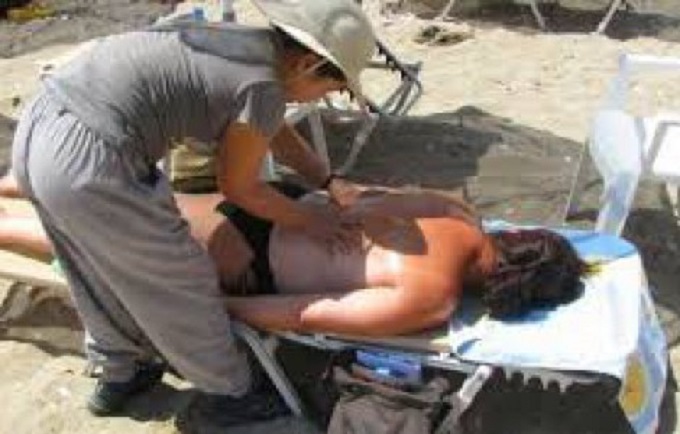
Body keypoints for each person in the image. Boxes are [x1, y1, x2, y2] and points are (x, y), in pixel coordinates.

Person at [10, 0, 376, 425]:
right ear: (309, 64)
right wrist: (312, 220)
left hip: (41, 127)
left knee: (92, 265)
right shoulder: (262, 85)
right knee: (181, 277)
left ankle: (119, 370)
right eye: (332, 88)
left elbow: (271, 128)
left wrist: (326, 180)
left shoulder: (247, 46)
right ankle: (230, 392)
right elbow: (240, 189)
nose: (326, 97)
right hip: (90, 156)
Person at [0, 174, 588, 338]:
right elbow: (308, 313)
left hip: (278, 204)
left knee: (115, 194)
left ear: (517, 237)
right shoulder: (433, 299)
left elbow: (359, 195)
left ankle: (20, 176)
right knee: (78, 237)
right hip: (244, 258)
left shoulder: (459, 211)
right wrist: (218, 307)